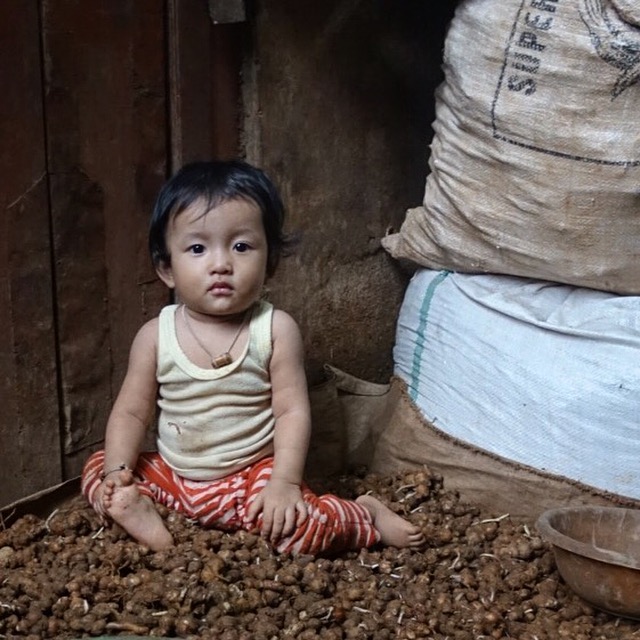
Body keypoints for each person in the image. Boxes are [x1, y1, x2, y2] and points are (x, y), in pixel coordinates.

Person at [82, 160, 425, 555]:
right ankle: (138, 509)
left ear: (270, 261)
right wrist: (118, 474)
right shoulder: (155, 336)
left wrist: (285, 482)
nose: (221, 264)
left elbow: (291, 413)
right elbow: (130, 414)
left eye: (241, 246)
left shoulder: (275, 330)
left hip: (249, 479)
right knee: (97, 469)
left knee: (294, 529)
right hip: (174, 476)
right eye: (197, 248)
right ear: (167, 269)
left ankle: (363, 516)